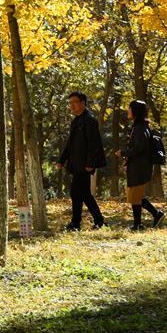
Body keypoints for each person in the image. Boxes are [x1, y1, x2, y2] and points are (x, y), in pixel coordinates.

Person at [57, 91, 106, 231]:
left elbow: (94, 144)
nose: (71, 106)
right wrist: (62, 159)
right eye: (70, 103)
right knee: (83, 194)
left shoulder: (90, 120)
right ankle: (96, 221)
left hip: (85, 165)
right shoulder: (76, 121)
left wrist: (91, 163)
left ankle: (77, 223)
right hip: (76, 163)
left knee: (76, 193)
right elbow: (70, 144)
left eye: (74, 102)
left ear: (83, 103)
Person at [117, 100, 165, 230]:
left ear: (135, 111)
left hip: (139, 167)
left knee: (134, 196)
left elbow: (139, 148)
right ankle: (149, 218)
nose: (128, 111)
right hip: (138, 166)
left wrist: (123, 153)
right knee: (136, 196)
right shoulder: (140, 127)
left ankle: (142, 222)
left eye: (130, 108)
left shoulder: (140, 128)